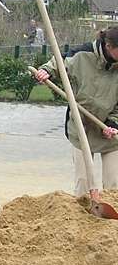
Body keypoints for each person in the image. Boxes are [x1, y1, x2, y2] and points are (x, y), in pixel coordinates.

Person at [34, 27, 118, 200]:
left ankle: (111, 224)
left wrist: (113, 124)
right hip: (81, 127)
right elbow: (59, 62)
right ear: (109, 46)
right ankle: (82, 220)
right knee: (84, 183)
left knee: (114, 184)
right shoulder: (82, 54)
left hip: (109, 132)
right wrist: (46, 71)